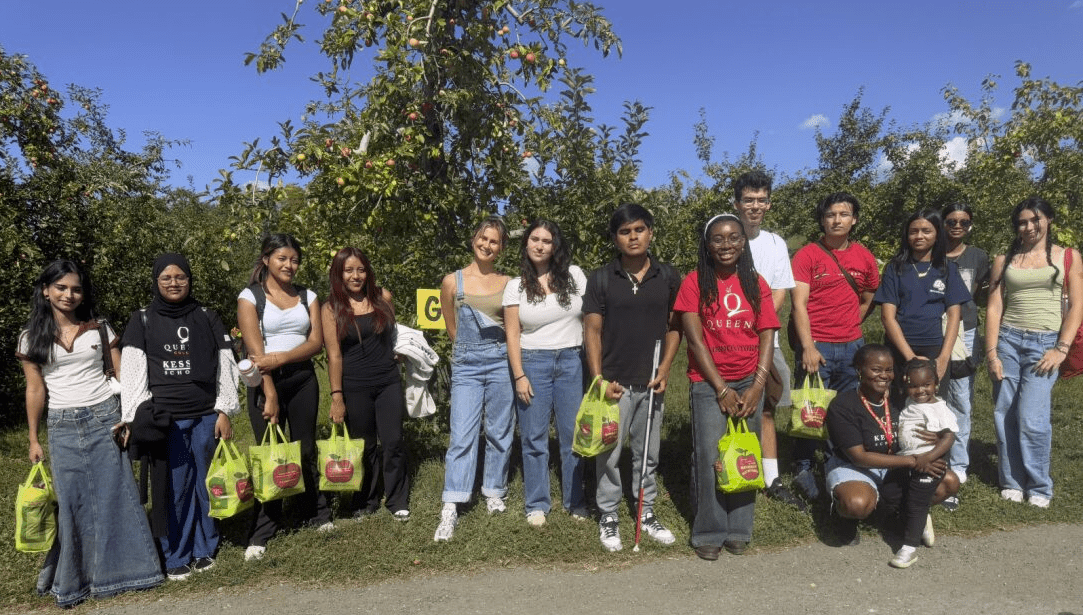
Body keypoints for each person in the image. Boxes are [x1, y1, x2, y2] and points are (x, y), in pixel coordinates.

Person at [17, 260, 163, 608]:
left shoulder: (100, 329)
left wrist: (128, 417)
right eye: (62, 288)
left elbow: (122, 375)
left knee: (118, 494)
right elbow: (35, 390)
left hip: (105, 418)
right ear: (46, 291)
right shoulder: (30, 336)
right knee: (72, 502)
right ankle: (75, 580)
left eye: (76, 288)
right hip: (62, 424)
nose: (69, 295)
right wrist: (33, 439)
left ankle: (131, 573)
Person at [120, 253, 240, 580]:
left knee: (206, 485)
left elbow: (226, 365)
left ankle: (205, 547)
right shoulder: (142, 320)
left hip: (205, 416)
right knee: (174, 488)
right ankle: (176, 553)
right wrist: (135, 416)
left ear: (190, 279)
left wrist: (224, 409)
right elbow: (131, 371)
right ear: (156, 282)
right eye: (167, 278)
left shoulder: (207, 316)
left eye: (181, 277)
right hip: (166, 420)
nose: (174, 283)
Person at [675, 214, 779, 560]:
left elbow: (767, 332)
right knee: (710, 454)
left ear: (743, 242)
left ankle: (739, 528)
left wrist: (757, 385)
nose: (726, 245)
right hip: (708, 381)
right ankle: (709, 529)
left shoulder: (756, 282)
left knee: (746, 451)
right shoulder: (693, 282)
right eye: (718, 239)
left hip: (750, 379)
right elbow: (695, 340)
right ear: (707, 245)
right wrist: (721, 388)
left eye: (734, 238)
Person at [583, 203, 682, 552]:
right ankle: (608, 514)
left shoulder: (668, 276)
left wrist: (666, 368)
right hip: (614, 384)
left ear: (650, 233)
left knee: (648, 452)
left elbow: (675, 328)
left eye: (639, 229)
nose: (633, 236)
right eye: (625, 232)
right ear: (615, 239)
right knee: (608, 452)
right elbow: (592, 331)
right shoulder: (600, 278)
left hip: (652, 381)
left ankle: (646, 509)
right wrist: (598, 379)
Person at [986, 197, 1083, 508]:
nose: (1028, 227)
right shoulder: (1005, 259)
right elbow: (994, 306)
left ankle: (1040, 486)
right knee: (1005, 413)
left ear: (1048, 220)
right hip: (1008, 341)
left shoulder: (1067, 256)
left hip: (1046, 344)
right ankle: (1012, 481)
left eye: (1034, 220)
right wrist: (992, 353)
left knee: (1032, 417)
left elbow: (1078, 305)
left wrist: (1061, 348)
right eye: (1022, 222)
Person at [238, 234, 330, 561]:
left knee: (305, 448)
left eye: (294, 260)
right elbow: (255, 351)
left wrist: (279, 359)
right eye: (282, 259)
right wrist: (270, 391)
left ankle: (316, 512)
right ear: (266, 260)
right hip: (265, 384)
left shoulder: (309, 296)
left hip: (303, 379)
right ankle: (263, 528)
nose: (289, 265)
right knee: (271, 454)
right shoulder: (250, 298)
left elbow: (315, 342)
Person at [825, 345, 959, 565]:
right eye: (876, 369)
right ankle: (847, 519)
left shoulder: (902, 398)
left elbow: (936, 422)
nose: (884, 375)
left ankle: (907, 515)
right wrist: (914, 461)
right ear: (859, 370)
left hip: (898, 465)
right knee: (857, 503)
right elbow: (859, 457)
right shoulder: (843, 405)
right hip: (856, 467)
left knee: (949, 482)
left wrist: (936, 439)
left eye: (888, 370)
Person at [789, 192, 880, 499]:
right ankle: (802, 467)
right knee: (809, 410)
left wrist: (852, 322)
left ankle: (836, 461)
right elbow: (798, 305)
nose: (837, 220)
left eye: (843, 214)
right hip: (818, 347)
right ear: (822, 219)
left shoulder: (864, 257)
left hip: (853, 347)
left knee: (844, 411)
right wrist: (808, 346)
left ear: (854, 220)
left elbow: (869, 296)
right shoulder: (807, 256)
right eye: (830, 215)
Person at [434, 216, 515, 542]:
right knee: (462, 434)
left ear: (501, 248)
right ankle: (452, 502)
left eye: (494, 241)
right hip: (467, 364)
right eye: (483, 238)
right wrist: (466, 350)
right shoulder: (452, 282)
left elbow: (512, 327)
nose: (487, 245)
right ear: (473, 240)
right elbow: (451, 326)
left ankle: (494, 490)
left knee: (499, 429)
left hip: (500, 363)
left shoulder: (509, 282)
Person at [504, 219, 588, 526]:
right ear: (526, 243)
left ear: (555, 246)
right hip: (533, 363)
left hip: (572, 362)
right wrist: (519, 375)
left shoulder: (575, 275)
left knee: (573, 436)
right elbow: (512, 334)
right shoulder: (515, 286)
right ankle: (537, 503)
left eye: (547, 240)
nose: (540, 245)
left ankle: (575, 500)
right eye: (535, 239)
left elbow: (592, 319)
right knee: (534, 437)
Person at [729, 170, 803, 509]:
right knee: (727, 407)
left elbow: (778, 295)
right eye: (748, 200)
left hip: (765, 340)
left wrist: (757, 328)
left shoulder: (775, 244)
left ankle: (771, 478)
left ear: (769, 204)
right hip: (727, 340)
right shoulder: (723, 235)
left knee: (768, 408)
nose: (755, 206)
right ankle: (730, 468)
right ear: (737, 203)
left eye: (761, 200)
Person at [322, 247, 410, 521]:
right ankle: (366, 500)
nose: (355, 275)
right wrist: (337, 396)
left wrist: (405, 352)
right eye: (348, 270)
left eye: (360, 269)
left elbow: (393, 337)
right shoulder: (330, 308)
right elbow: (334, 355)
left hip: (387, 381)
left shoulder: (383, 298)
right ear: (339, 274)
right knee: (364, 445)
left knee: (393, 441)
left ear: (367, 272)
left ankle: (397, 499)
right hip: (354, 385)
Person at [875, 208, 971, 407]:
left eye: (926, 231)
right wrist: (910, 359)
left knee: (933, 408)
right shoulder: (895, 268)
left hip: (935, 349)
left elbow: (954, 316)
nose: (919, 236)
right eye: (913, 231)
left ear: (937, 234)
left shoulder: (947, 269)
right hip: (900, 350)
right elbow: (887, 317)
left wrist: (943, 358)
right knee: (899, 407)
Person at [940, 203, 990, 509]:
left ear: (970, 225)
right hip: (936, 327)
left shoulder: (978, 257)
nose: (957, 226)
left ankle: (958, 466)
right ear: (943, 223)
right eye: (951, 221)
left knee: (960, 398)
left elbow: (983, 292)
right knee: (933, 396)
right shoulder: (932, 251)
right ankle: (934, 459)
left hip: (967, 330)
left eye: (963, 222)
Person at [891, 358, 957, 567]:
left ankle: (909, 548)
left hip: (930, 462)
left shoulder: (939, 408)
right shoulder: (912, 403)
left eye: (926, 385)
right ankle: (921, 525)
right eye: (914, 386)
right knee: (901, 498)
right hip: (910, 460)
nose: (920, 390)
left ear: (936, 383)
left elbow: (949, 437)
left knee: (917, 503)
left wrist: (928, 458)